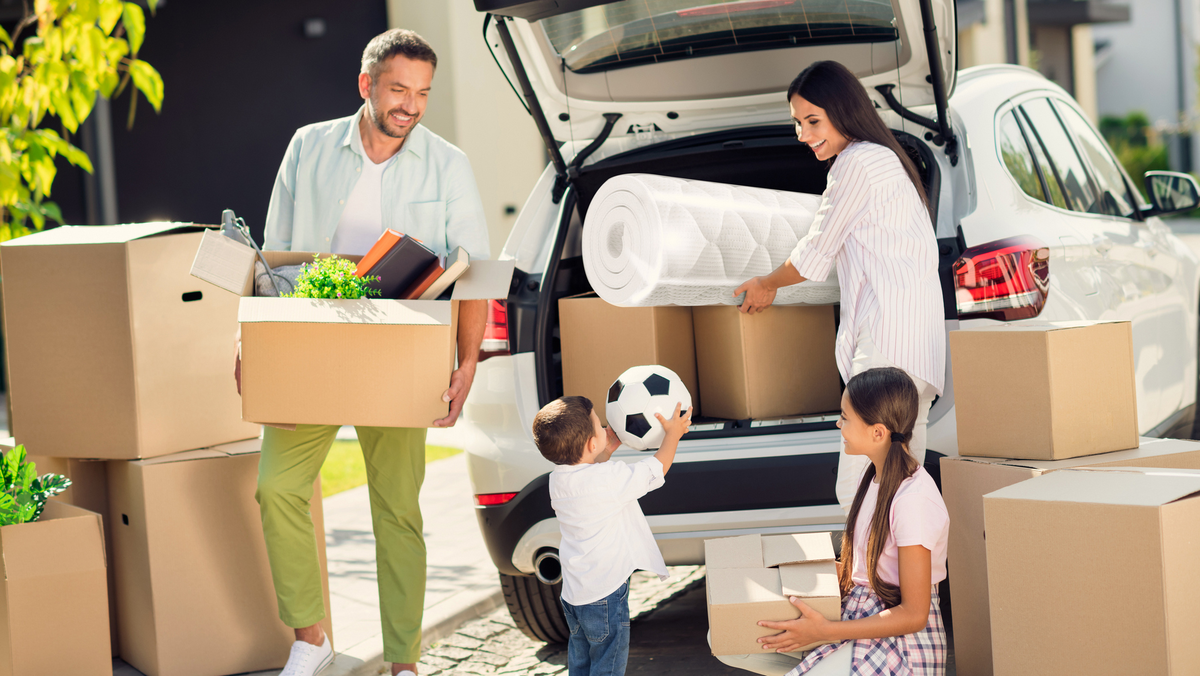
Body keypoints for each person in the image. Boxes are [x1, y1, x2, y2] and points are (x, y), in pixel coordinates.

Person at [238, 29, 490, 676]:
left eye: (423, 93)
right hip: (313, 341)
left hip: (402, 352)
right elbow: (272, 261)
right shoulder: (309, 147)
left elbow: (475, 274)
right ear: (367, 85)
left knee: (398, 513)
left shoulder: (448, 163)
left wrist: (466, 366)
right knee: (277, 488)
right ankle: (311, 638)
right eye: (399, 89)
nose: (411, 105)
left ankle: (403, 664)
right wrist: (253, 344)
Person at [733, 60, 945, 512]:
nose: (803, 134)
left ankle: (863, 581)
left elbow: (815, 252)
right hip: (920, 353)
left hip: (888, 348)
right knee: (903, 485)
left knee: (858, 488)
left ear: (844, 111)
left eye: (813, 120)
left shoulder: (856, 164)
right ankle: (905, 582)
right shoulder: (888, 161)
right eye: (797, 122)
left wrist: (767, 284)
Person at [717, 367, 949, 676]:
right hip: (855, 616)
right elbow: (864, 570)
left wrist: (826, 631)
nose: (839, 425)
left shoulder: (914, 500)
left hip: (900, 644)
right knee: (730, 635)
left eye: (845, 417)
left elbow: (914, 615)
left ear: (877, 432)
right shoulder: (874, 478)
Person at [532, 396, 692, 676]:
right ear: (591, 445)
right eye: (599, 424)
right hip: (605, 595)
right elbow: (656, 469)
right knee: (608, 664)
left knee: (580, 661)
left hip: (575, 594)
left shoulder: (557, 479)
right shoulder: (609, 479)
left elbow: (586, 474)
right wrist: (673, 435)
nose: (604, 426)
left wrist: (605, 451)